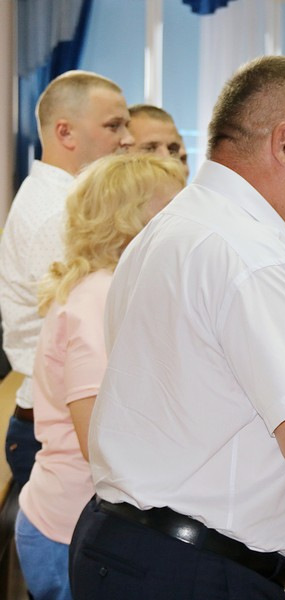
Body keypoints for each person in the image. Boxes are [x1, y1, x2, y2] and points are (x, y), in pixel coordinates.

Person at [68, 56, 285, 600]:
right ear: (283, 143)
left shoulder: (172, 227)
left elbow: (192, 384)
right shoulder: (251, 254)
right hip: (192, 570)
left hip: (127, 547)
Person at [15, 154, 185, 600]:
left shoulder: (109, 288)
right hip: (69, 528)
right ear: (128, 223)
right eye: (172, 212)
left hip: (77, 519)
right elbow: (100, 440)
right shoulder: (98, 297)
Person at [0, 70, 133, 486]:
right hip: (58, 425)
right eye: (114, 125)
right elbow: (87, 331)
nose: (128, 139)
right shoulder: (60, 213)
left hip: (62, 413)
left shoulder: (67, 201)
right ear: (65, 132)